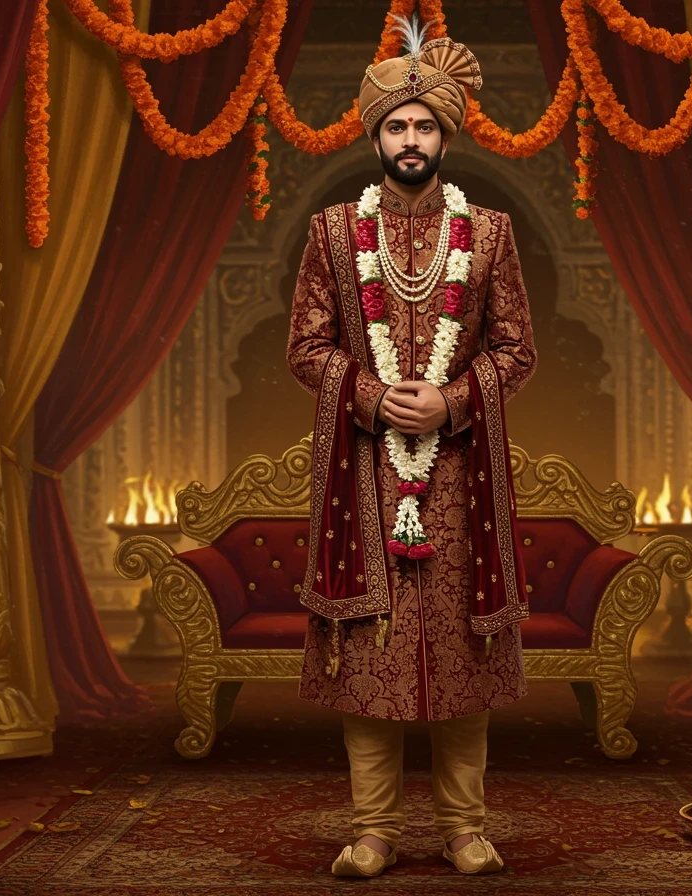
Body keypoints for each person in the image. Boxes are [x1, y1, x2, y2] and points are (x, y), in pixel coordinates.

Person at [285, 14, 536, 879]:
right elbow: (307, 347)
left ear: (445, 135)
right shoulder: (328, 234)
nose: (411, 139)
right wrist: (369, 394)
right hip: (364, 470)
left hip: (461, 478)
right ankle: (373, 832)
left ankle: (465, 828)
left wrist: (457, 400)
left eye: (425, 125)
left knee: (462, 654)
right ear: (376, 136)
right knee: (373, 653)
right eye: (397, 125)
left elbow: (516, 350)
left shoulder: (493, 235)